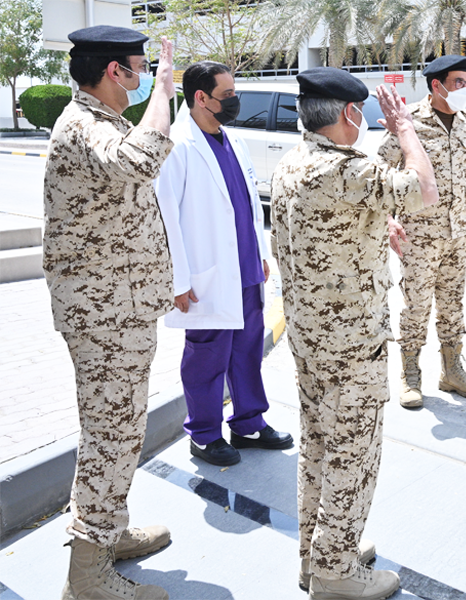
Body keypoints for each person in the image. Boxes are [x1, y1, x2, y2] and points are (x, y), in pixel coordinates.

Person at [271, 67, 438, 600]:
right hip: (350, 343)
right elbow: (424, 190)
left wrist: (374, 227)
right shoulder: (348, 170)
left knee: (319, 446)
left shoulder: (293, 162)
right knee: (353, 453)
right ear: (348, 113)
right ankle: (337, 573)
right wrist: (405, 128)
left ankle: (315, 557)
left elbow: (331, 224)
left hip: (309, 337)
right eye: (361, 114)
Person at [44, 25, 176, 600]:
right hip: (105, 316)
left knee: (117, 429)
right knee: (111, 434)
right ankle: (89, 575)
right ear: (115, 72)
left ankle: (108, 531)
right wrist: (168, 90)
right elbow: (142, 161)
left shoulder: (105, 122)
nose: (146, 75)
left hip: (121, 308)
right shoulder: (83, 125)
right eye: (141, 67)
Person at [156, 61, 293, 466]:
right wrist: (177, 280)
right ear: (201, 98)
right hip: (207, 275)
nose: (235, 101)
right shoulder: (177, 145)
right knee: (208, 355)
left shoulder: (234, 140)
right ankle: (203, 434)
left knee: (249, 350)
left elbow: (250, 206)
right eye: (228, 95)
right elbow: (165, 218)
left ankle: (249, 423)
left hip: (246, 269)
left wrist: (262, 256)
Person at [379, 55, 466, 408]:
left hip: (456, 233)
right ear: (436, 85)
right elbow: (381, 168)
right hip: (419, 235)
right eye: (458, 82)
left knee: (453, 304)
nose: (464, 89)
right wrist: (389, 219)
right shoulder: (409, 122)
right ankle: (410, 376)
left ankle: (452, 371)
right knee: (416, 305)